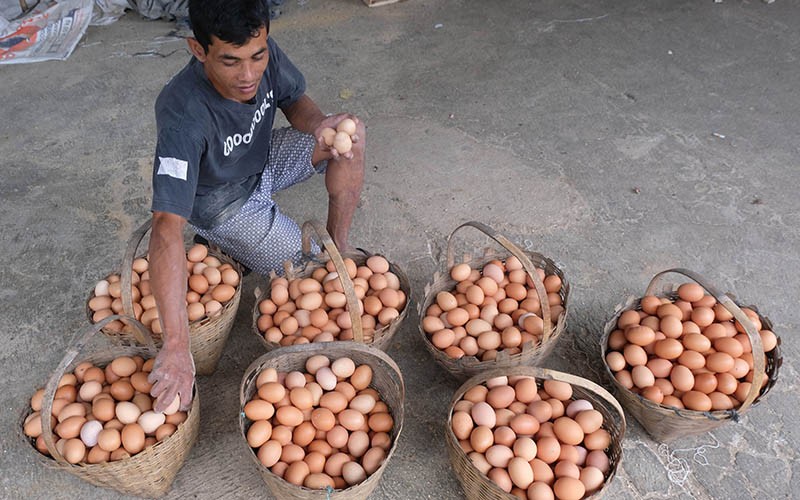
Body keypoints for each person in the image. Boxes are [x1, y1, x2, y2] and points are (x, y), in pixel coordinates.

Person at [145, 0, 365, 412]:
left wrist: (320, 126)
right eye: (230, 62)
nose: (248, 75)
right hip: (222, 203)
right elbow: (165, 224)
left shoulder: (262, 49)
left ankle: (340, 248)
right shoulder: (182, 114)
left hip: (260, 161)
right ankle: (230, 243)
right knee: (309, 278)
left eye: (256, 57)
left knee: (350, 136)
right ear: (198, 50)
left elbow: (294, 100)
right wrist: (177, 346)